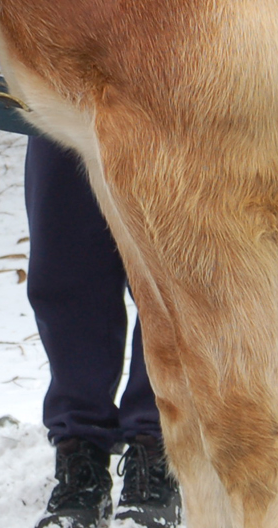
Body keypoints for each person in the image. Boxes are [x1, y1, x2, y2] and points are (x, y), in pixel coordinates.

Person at [26, 139, 179, 528]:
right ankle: (80, 453)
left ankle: (157, 447)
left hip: (172, 92)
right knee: (64, 266)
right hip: (63, 88)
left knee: (168, 273)